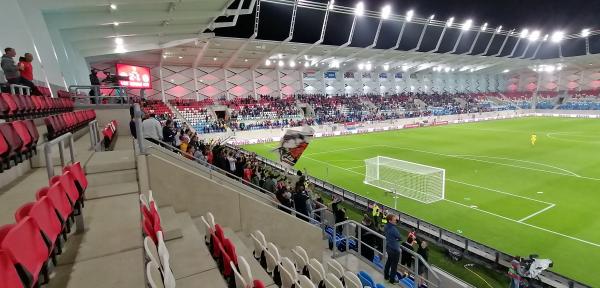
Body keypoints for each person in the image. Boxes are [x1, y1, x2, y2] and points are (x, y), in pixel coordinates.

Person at [384, 214, 402, 284]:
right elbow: (400, 238)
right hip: (394, 250)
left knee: (389, 261)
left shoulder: (386, 226)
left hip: (388, 247)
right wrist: (396, 239)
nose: (396, 221)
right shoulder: (394, 229)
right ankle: (392, 280)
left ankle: (386, 276)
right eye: (394, 220)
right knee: (394, 266)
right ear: (390, 221)